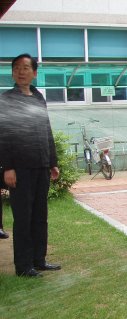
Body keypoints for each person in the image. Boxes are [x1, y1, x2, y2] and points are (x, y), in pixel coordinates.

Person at [0, 53, 61, 277]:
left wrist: (52, 162)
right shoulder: (7, 99)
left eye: (26, 68)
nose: (21, 71)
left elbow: (46, 131)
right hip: (20, 169)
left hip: (41, 166)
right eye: (17, 68)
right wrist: (8, 167)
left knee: (39, 215)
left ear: (34, 72)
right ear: (13, 73)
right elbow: (4, 135)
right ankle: (23, 266)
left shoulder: (38, 98)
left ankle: (39, 259)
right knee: (23, 217)